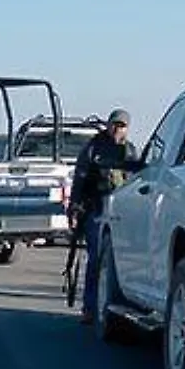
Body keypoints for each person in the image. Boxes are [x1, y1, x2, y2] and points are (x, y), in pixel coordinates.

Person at [70, 109, 145, 325]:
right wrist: (74, 208)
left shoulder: (130, 151)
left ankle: (121, 307)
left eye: (122, 126)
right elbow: (80, 178)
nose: (117, 129)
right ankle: (90, 308)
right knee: (96, 260)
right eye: (114, 124)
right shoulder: (93, 148)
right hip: (97, 209)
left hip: (123, 212)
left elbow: (138, 180)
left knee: (123, 262)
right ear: (108, 124)